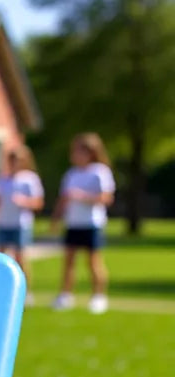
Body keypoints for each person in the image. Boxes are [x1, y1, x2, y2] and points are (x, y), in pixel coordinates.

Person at [51, 132, 115, 315]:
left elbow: (106, 197)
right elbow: (63, 199)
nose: (74, 155)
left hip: (91, 223)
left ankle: (99, 296)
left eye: (78, 151)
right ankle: (65, 295)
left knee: (93, 261)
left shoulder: (100, 172)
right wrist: (56, 218)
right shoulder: (71, 173)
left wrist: (83, 196)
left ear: (91, 152)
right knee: (69, 261)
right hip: (73, 223)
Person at [0, 145, 44, 304]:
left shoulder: (30, 179)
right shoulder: (3, 180)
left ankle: (26, 292)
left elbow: (38, 203)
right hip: (3, 222)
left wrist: (24, 201)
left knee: (21, 258)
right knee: (0, 257)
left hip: (20, 224)